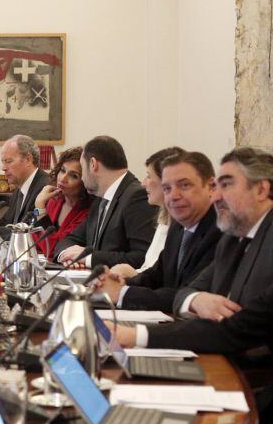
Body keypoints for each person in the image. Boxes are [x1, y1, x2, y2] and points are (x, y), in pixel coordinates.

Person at [114, 147, 273, 347]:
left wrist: (134, 336)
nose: (215, 197)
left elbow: (239, 328)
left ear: (261, 190)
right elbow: (185, 291)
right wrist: (195, 299)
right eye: (217, 187)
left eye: (226, 185)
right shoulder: (232, 239)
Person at [96, 151, 221, 313]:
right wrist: (122, 283)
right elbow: (157, 274)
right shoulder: (178, 226)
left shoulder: (220, 230)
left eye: (184, 185)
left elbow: (187, 294)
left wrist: (122, 294)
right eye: (167, 188)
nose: (174, 196)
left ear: (211, 186)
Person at [54, 135, 158, 268]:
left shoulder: (136, 196)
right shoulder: (100, 198)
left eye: (82, 167)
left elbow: (142, 257)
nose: (83, 177)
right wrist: (66, 255)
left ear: (93, 164)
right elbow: (70, 239)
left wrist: (88, 258)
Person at [110, 146, 184, 278]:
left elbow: (164, 280)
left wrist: (132, 275)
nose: (143, 184)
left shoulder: (182, 226)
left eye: (149, 176)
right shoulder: (164, 218)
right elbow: (151, 270)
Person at [30, 146, 91, 257]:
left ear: (85, 182)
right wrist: (37, 210)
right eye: (62, 170)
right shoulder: (55, 200)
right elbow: (34, 235)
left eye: (73, 176)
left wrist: (39, 206)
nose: (63, 178)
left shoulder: (87, 213)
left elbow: (55, 250)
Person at [0, 134, 51, 235]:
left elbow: (28, 231)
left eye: (8, 161)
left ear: (28, 159)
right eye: (3, 162)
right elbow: (7, 223)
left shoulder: (44, 187)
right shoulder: (20, 187)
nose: (3, 168)